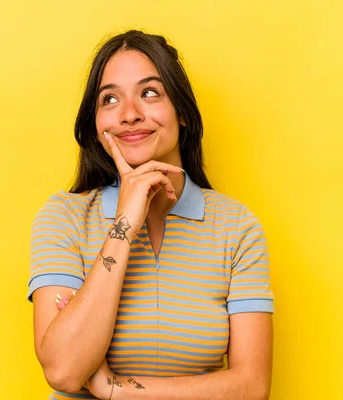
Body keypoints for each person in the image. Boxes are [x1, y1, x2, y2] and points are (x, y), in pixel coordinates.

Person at [28, 30, 274, 400]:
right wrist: (126, 221)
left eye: (149, 92)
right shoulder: (64, 216)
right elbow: (63, 370)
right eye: (110, 99)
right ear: (96, 126)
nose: (129, 115)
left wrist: (115, 390)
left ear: (183, 113)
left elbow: (251, 387)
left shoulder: (237, 227)